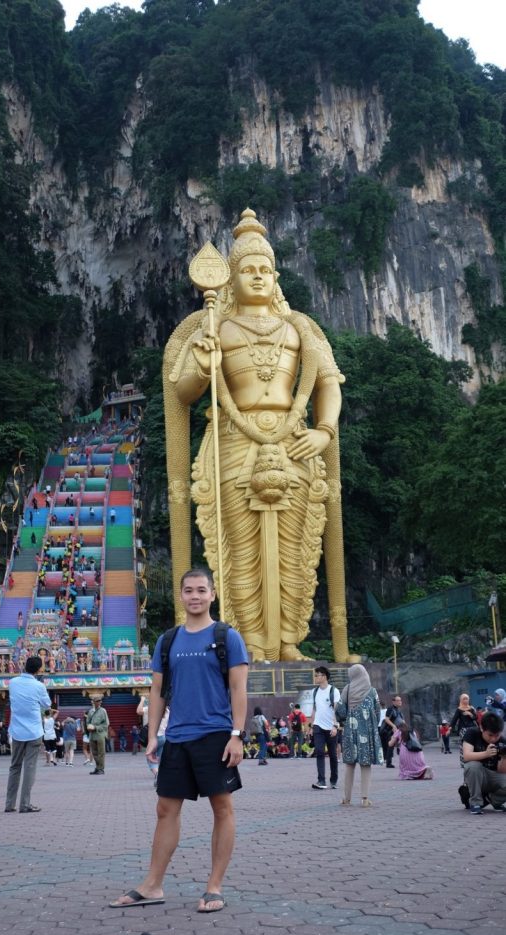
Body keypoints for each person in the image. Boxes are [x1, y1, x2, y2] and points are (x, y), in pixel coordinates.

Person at [163, 208, 355, 662]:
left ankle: (288, 640)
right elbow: (184, 390)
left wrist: (324, 432)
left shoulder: (300, 328)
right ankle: (248, 645)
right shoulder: (215, 326)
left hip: (294, 441)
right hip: (234, 439)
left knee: (295, 549)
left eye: (265, 269)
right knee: (239, 548)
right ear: (230, 278)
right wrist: (204, 363)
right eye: (247, 269)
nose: (257, 277)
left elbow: (327, 383)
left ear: (276, 276)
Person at [109, 567, 248, 914]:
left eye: (202, 590)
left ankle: (214, 887)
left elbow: (238, 688)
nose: (195, 596)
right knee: (165, 809)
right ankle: (153, 885)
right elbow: (157, 690)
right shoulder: (168, 640)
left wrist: (237, 735)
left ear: (213, 594)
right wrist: (153, 734)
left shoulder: (227, 636)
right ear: (181, 595)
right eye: (189, 590)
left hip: (215, 734)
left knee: (222, 808)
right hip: (178, 736)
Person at [4, 656, 50, 813]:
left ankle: (9, 804)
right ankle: (25, 804)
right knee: (29, 767)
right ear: (38, 670)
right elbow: (47, 704)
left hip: (17, 730)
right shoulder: (39, 686)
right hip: (34, 730)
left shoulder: (13, 682)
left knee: (14, 766)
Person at [339, 663, 383, 808]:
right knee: (366, 765)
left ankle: (346, 798)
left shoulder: (347, 689)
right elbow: (377, 712)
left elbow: (341, 710)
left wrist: (346, 719)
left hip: (351, 730)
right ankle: (365, 799)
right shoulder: (372, 691)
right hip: (367, 731)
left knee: (350, 765)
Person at [459, 710, 506, 814]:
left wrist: (504, 757)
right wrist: (486, 753)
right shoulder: (472, 733)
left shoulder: (502, 741)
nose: (494, 739)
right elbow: (466, 756)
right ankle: (475, 802)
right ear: (481, 728)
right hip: (477, 777)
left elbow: (501, 770)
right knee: (473, 765)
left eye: (497, 735)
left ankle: (494, 800)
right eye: (490, 735)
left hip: (493, 777)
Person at [309, 666, 340, 790]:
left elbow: (337, 710)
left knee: (333, 754)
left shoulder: (334, 691)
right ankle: (321, 780)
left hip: (331, 727)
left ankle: (334, 780)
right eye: (315, 675)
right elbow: (314, 709)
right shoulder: (314, 691)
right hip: (318, 727)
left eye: (318, 675)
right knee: (320, 752)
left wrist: (335, 726)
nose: (316, 677)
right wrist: (311, 725)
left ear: (325, 676)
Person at [449, 693, 477, 768]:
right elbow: (454, 720)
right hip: (463, 729)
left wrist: (470, 714)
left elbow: (475, 718)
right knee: (463, 745)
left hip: (472, 728)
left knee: (474, 745)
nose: (465, 700)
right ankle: (463, 762)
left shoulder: (471, 708)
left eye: (467, 698)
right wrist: (450, 728)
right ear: (461, 700)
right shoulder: (459, 709)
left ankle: (474, 761)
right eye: (464, 699)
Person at [86, 694, 110, 776]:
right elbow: (87, 721)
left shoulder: (103, 711)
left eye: (99, 701)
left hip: (100, 734)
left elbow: (106, 724)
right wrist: (88, 726)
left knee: (101, 753)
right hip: (92, 735)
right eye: (97, 701)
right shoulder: (90, 711)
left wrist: (95, 727)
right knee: (94, 753)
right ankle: (97, 767)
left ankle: (101, 769)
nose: (98, 703)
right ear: (93, 702)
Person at [379, 694, 404, 768]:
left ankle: (401, 761)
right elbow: (387, 719)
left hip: (397, 731)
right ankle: (388, 763)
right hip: (390, 731)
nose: (400, 702)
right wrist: (393, 726)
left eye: (400, 700)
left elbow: (401, 720)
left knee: (395, 746)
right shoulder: (390, 709)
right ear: (393, 702)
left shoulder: (398, 710)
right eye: (398, 700)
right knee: (390, 746)